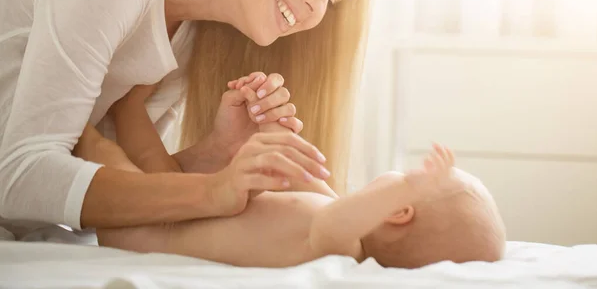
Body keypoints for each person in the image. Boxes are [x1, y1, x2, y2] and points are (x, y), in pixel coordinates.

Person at [0, 0, 373, 241]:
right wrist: (212, 191)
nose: (319, 9)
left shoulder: (191, 33)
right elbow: (18, 177)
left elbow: (123, 181)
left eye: (334, 0)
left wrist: (217, 154)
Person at [74, 80, 506, 268]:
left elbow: (340, 217)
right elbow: (292, 171)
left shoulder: (339, 247)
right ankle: (126, 106)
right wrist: (268, 123)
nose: (399, 174)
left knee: (101, 152)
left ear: (399, 212)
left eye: (406, 179)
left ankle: (71, 121)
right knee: (146, 157)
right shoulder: (328, 211)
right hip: (176, 208)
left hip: (143, 234)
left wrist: (407, 185)